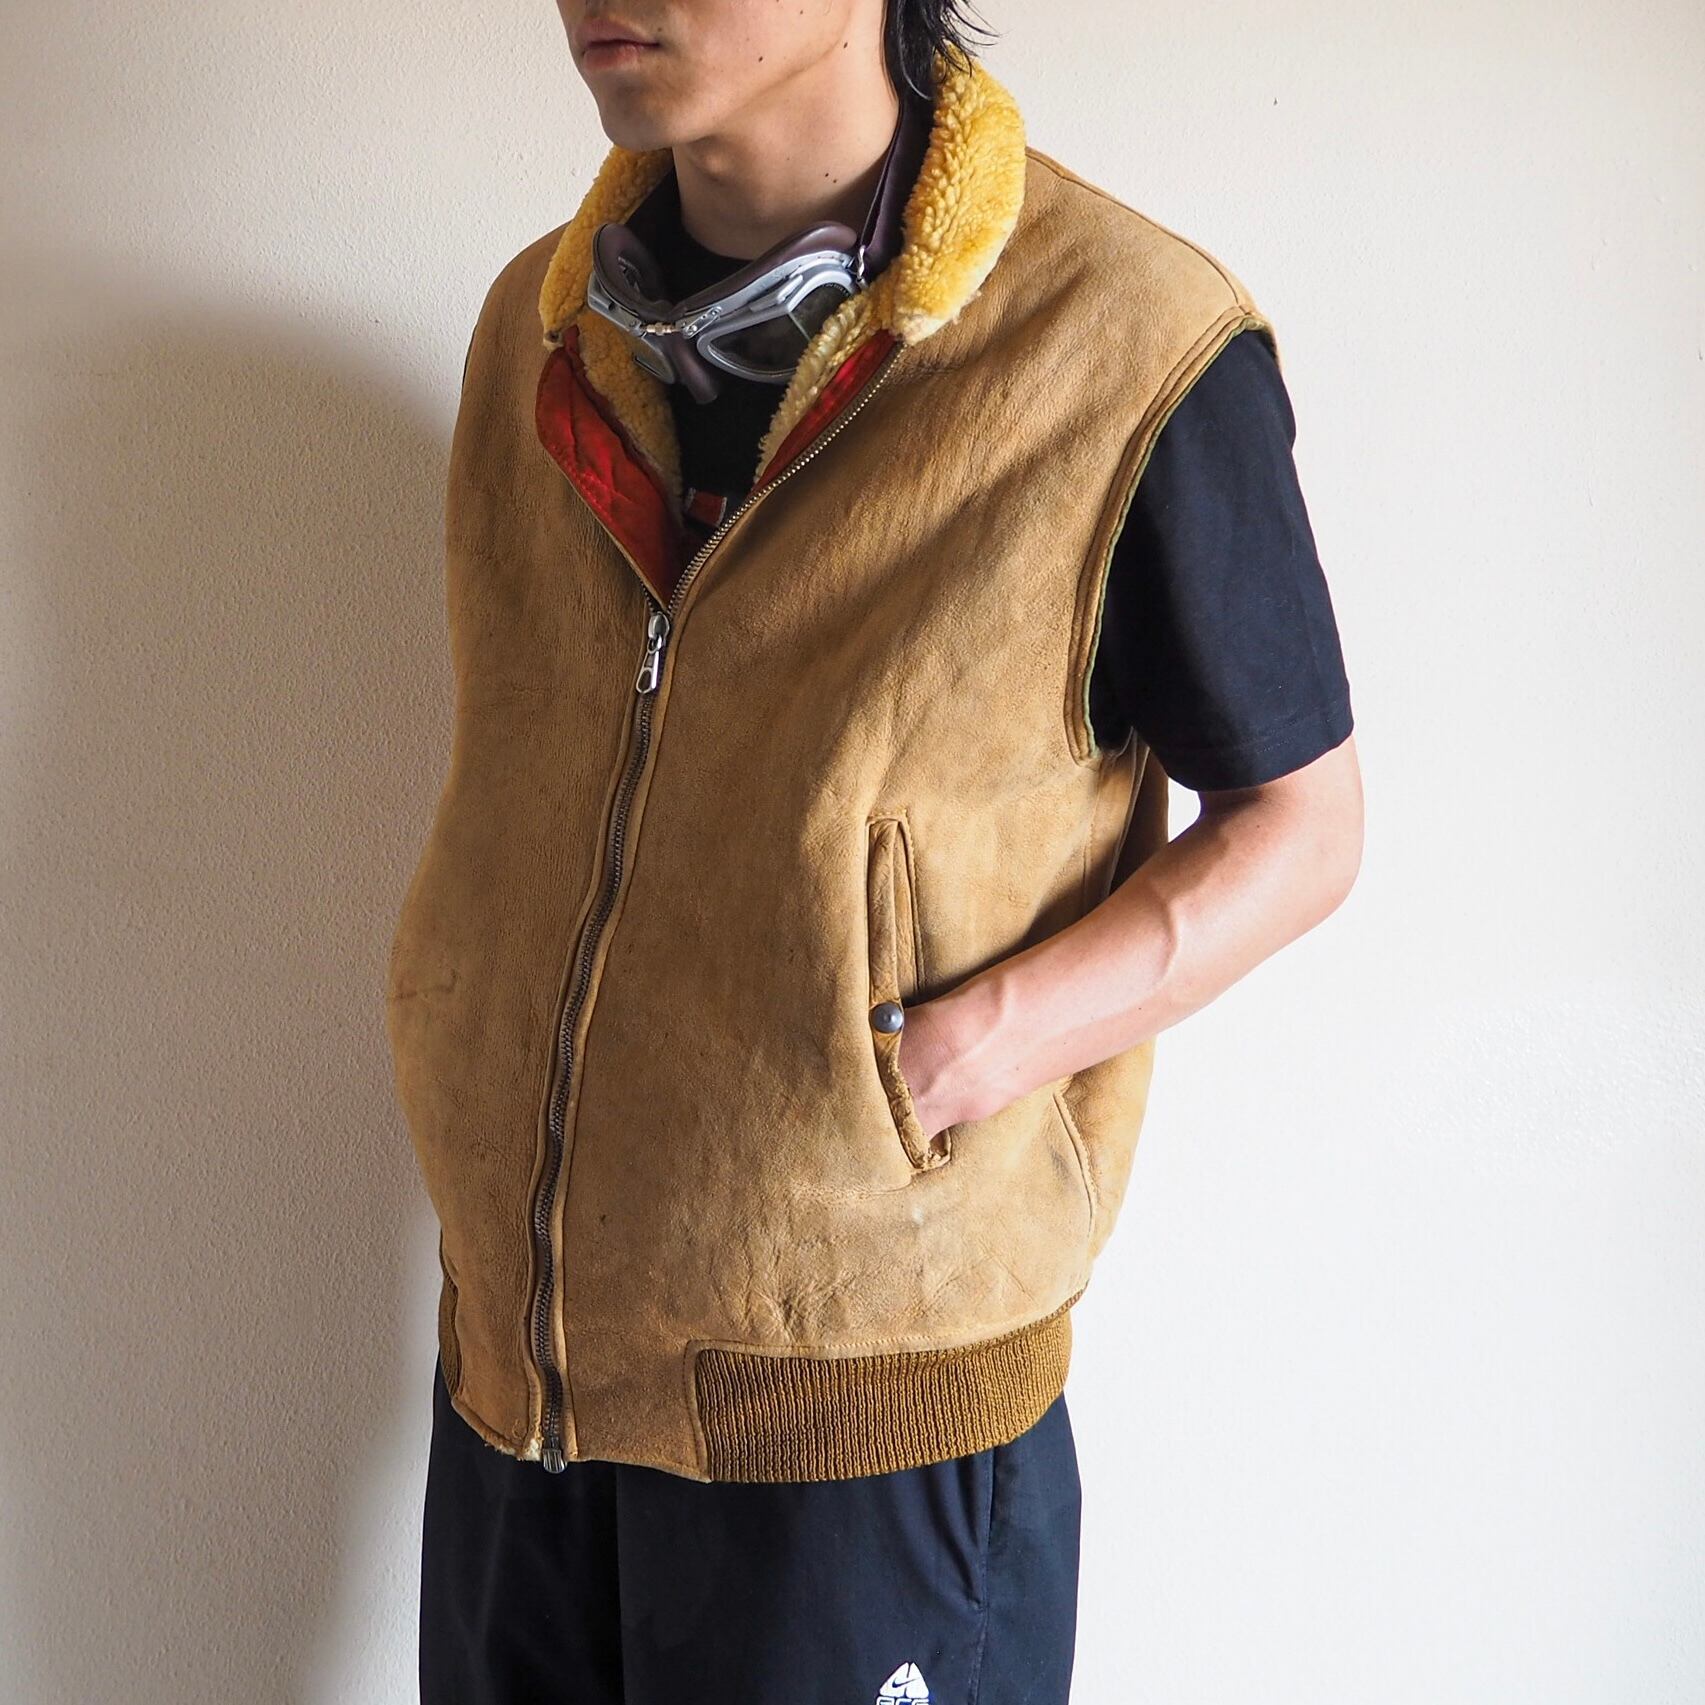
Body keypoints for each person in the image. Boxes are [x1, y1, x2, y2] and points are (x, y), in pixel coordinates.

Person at [386, 1, 1364, 1700]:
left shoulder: (1121, 341)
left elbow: (1302, 823)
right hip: (520, 1383)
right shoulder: (539, 330)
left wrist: (971, 1046)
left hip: (860, 1421)